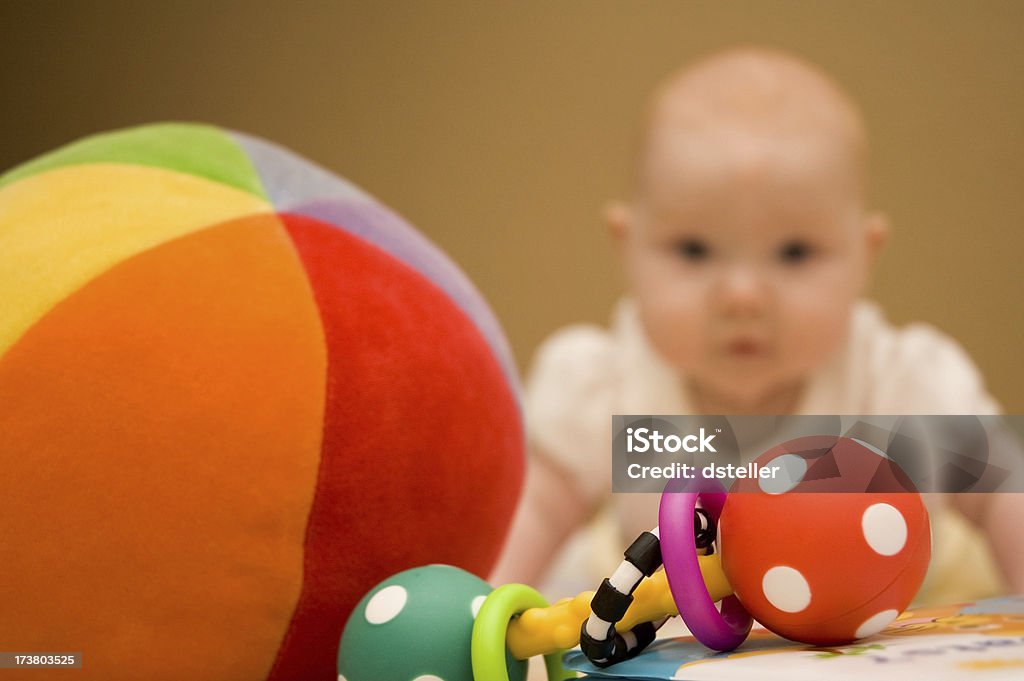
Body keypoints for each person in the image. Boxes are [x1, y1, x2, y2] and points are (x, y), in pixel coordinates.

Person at [491, 46, 1024, 606]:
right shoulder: (607, 386)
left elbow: (1005, 490)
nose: (742, 295)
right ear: (628, 250)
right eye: (694, 250)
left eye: (794, 253)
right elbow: (534, 509)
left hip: (889, 628)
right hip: (678, 635)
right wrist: (486, 610)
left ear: (864, 258)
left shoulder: (899, 384)